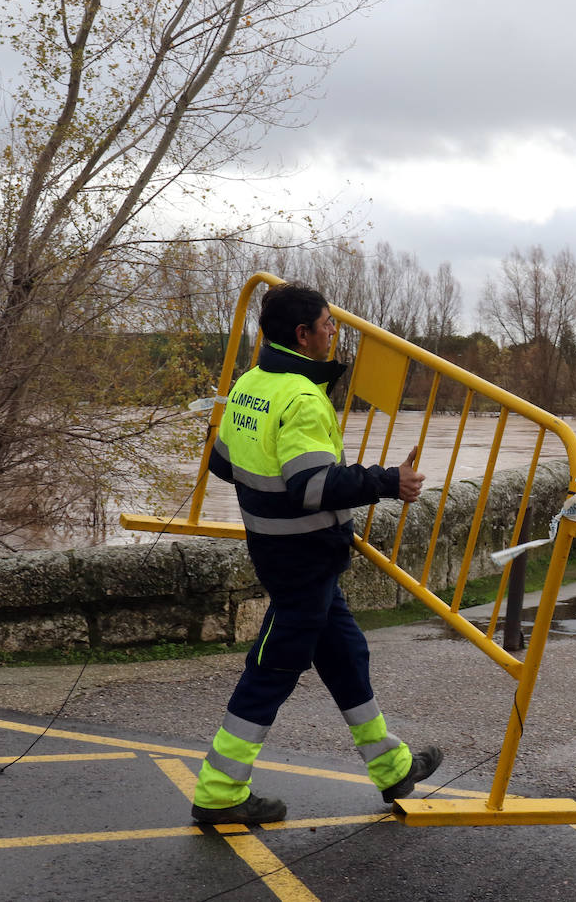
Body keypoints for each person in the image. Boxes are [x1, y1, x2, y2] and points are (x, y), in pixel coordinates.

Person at [190, 282, 442, 825]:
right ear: (303, 335)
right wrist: (388, 481)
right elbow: (311, 485)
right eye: (329, 324)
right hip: (304, 554)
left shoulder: (250, 384)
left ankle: (393, 767)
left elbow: (223, 464)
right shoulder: (303, 398)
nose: (334, 333)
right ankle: (218, 792)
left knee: (346, 655)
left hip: (282, 548)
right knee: (273, 669)